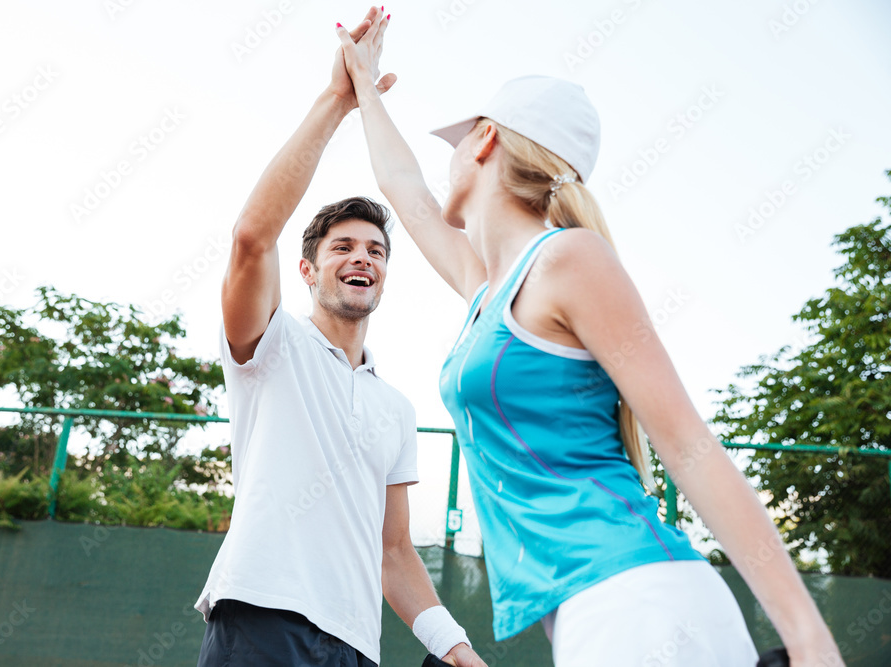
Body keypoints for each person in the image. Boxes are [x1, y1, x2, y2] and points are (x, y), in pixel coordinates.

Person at [336, 13, 845, 667]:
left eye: (457, 140)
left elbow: (687, 442)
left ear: (486, 140)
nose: (447, 159)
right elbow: (404, 191)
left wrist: (808, 636)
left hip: (641, 603)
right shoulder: (487, 292)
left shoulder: (569, 260)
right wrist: (363, 88)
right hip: (596, 619)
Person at [193, 8, 487, 667]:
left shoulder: (397, 409)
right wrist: (338, 99)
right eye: (344, 246)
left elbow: (395, 553)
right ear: (307, 268)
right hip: (259, 622)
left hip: (357, 646)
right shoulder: (272, 347)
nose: (363, 257)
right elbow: (251, 237)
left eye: (377, 249)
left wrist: (457, 646)